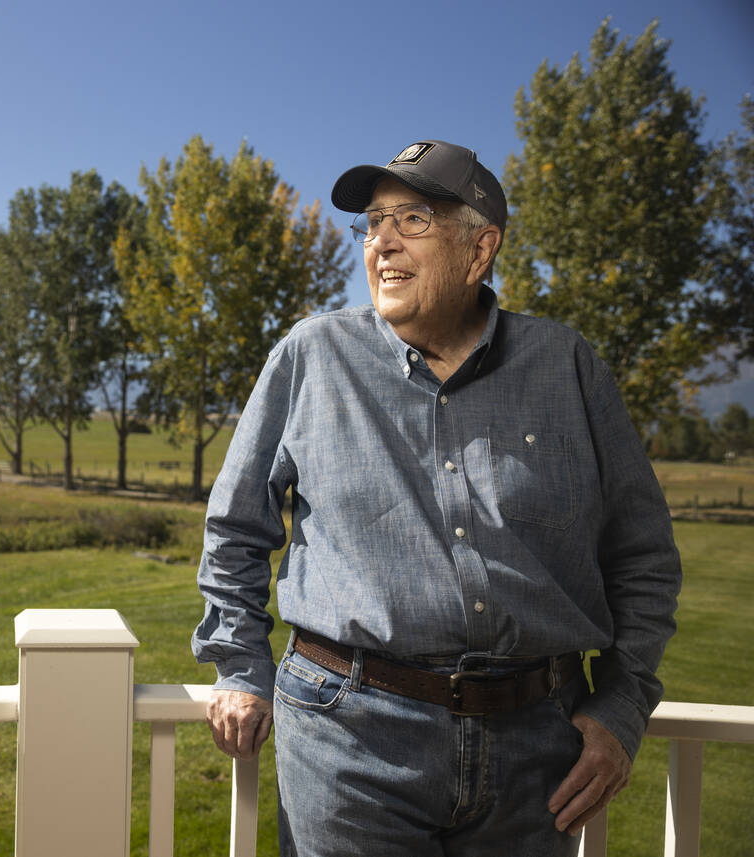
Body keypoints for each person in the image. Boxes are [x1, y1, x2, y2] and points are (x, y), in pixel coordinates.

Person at [191, 139, 681, 856]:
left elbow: (643, 558)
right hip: (348, 741)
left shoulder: (567, 365)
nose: (380, 242)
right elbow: (237, 527)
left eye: (411, 219)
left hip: (537, 754)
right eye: (372, 223)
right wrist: (240, 665)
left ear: (480, 249)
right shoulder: (312, 354)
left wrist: (621, 704)